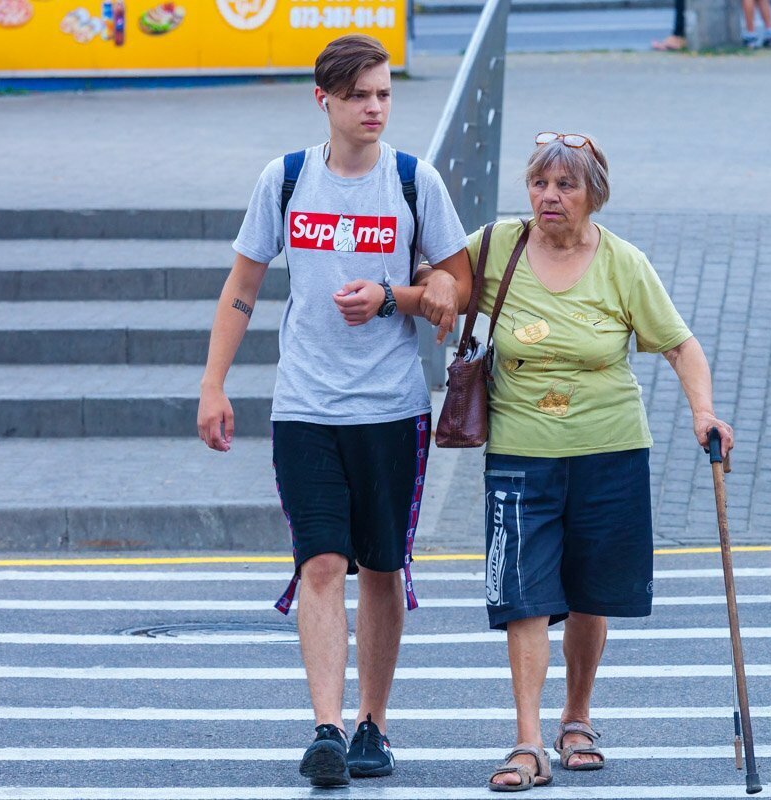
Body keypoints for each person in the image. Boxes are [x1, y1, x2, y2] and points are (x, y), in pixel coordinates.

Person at [196, 34, 471, 788]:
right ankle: (325, 728)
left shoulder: (416, 182)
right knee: (319, 562)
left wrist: (403, 297)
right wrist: (213, 384)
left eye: (384, 93)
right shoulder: (285, 180)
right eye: (359, 97)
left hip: (392, 409)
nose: (375, 107)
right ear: (325, 101)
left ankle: (373, 725)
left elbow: (459, 287)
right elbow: (242, 288)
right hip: (306, 407)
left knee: (382, 568)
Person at [469, 132, 735, 791]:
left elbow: (681, 347)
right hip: (519, 450)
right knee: (524, 596)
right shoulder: (495, 246)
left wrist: (703, 411)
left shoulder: (623, 262)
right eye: (539, 183)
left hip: (610, 448)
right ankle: (528, 741)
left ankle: (577, 717)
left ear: (594, 196)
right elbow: (438, 283)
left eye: (566, 186)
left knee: (591, 595)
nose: (549, 197)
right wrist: (405, 296)